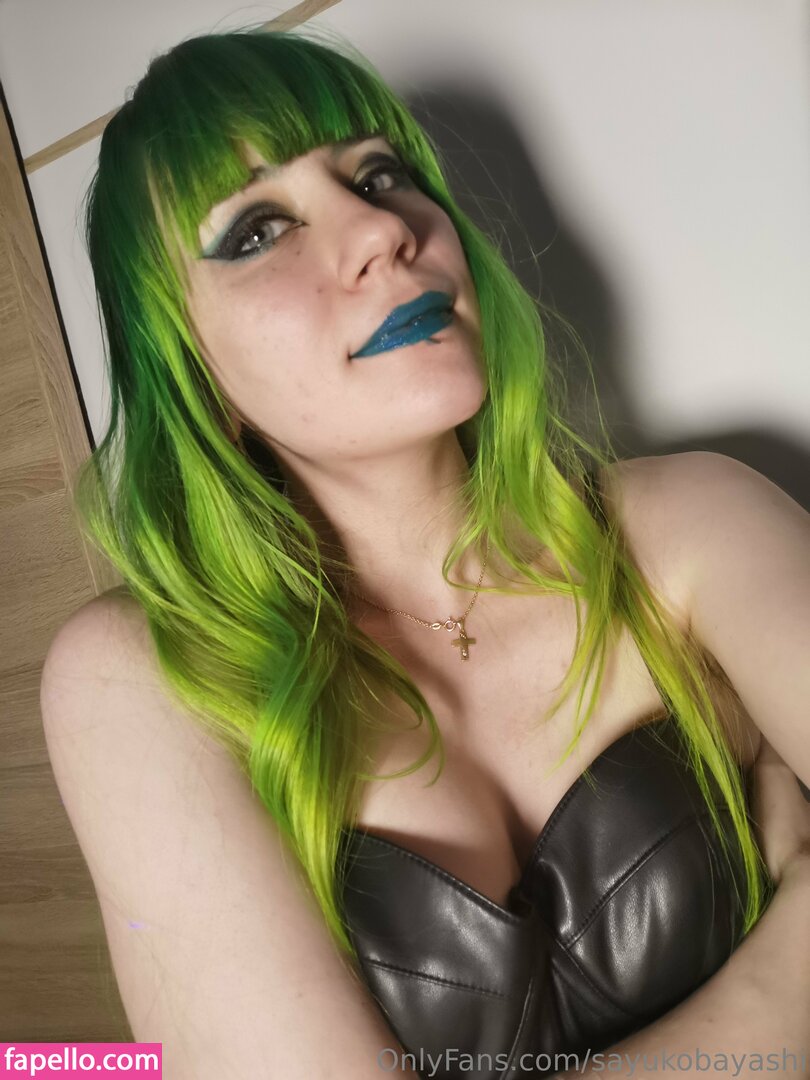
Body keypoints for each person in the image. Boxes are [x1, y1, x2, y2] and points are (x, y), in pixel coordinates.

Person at [39, 26, 810, 1079]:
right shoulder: (143, 679)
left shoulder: (692, 525)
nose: (381, 230)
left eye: (380, 176)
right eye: (258, 230)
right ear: (190, 368)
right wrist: (786, 970)